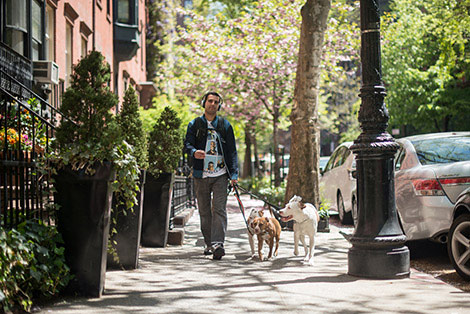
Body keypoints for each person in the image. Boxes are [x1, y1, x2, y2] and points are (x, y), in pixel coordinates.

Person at [184, 91, 239, 260]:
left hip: (221, 175)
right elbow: (187, 144)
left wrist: (234, 174)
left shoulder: (225, 125)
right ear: (204, 103)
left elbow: (232, 152)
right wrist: (194, 152)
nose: (213, 104)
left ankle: (217, 244)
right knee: (205, 211)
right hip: (201, 175)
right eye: (210, 101)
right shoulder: (195, 124)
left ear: (219, 106)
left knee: (220, 209)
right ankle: (209, 243)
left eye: (216, 102)